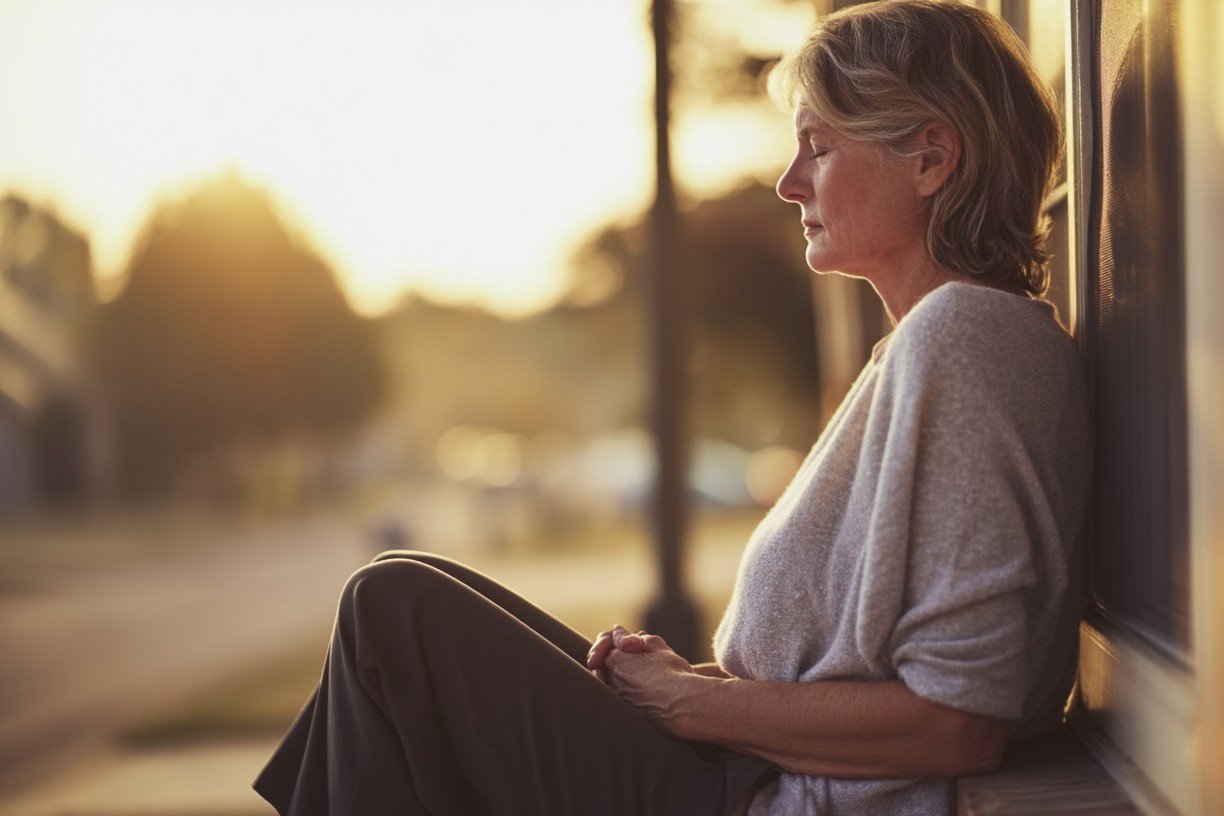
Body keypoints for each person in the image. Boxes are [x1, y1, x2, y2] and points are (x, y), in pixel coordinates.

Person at [251, 1, 1090, 814]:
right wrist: (689, 684)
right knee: (409, 600)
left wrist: (686, 707)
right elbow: (858, 678)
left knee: (393, 612)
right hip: (742, 774)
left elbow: (956, 727)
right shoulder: (921, 351)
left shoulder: (968, 339)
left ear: (932, 159)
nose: (787, 182)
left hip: (771, 800)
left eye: (819, 148)